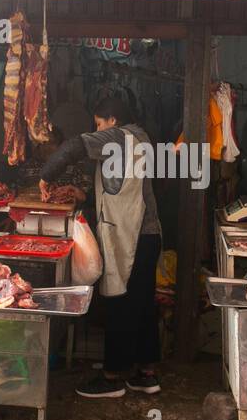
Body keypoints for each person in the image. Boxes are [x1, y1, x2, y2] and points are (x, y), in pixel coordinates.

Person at [40, 92, 163, 398]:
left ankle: (112, 378)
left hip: (133, 235)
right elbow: (121, 187)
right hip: (147, 235)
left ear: (112, 121)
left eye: (98, 124)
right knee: (143, 304)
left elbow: (74, 146)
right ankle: (145, 374)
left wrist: (46, 177)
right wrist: (84, 197)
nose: (97, 131)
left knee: (120, 301)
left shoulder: (119, 137)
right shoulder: (140, 137)